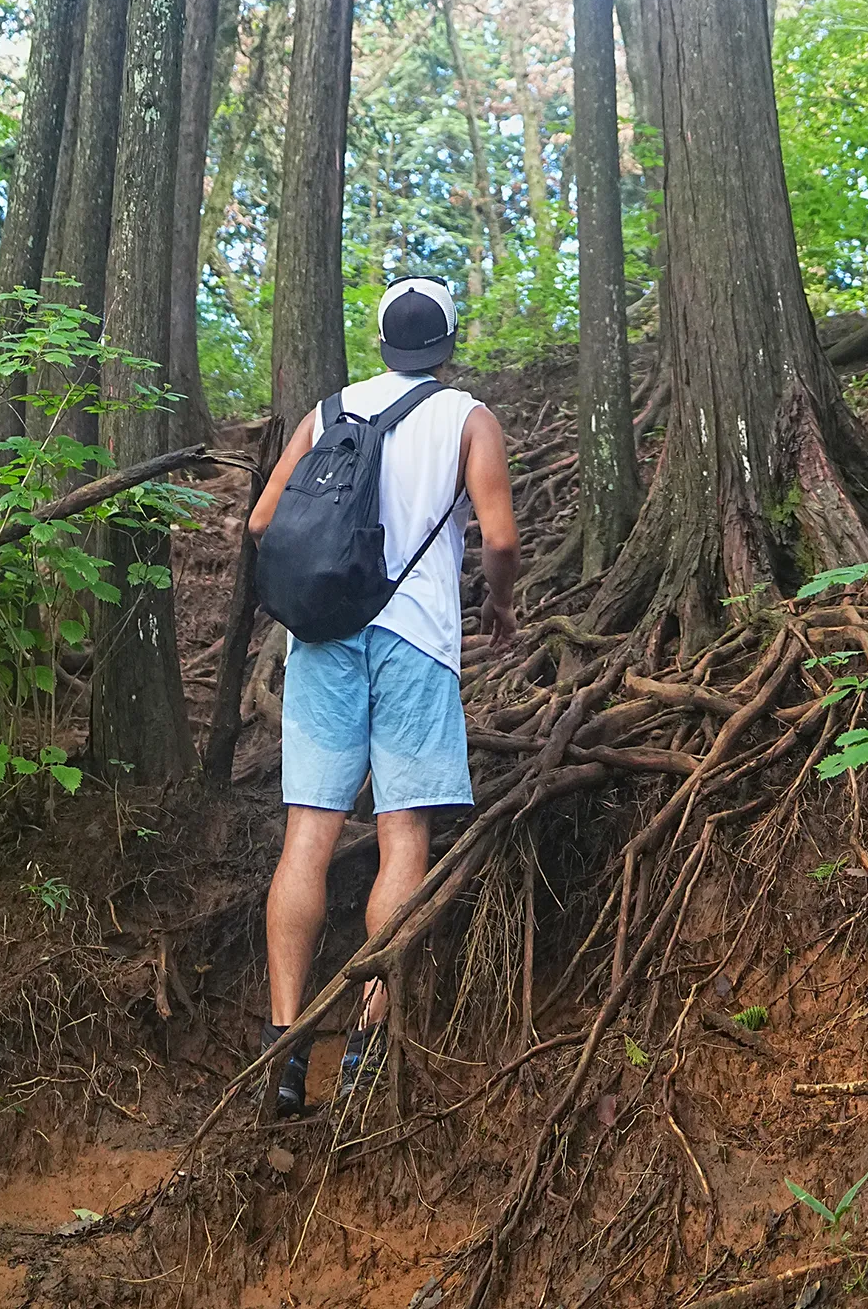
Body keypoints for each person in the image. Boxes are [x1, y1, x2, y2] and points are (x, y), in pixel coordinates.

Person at [247, 276, 520, 1118]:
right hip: (415, 642)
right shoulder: (468, 417)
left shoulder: (327, 413)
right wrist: (499, 603)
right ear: (446, 345)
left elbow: (261, 524)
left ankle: (285, 1049)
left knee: (307, 838)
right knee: (403, 835)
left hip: (323, 639)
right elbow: (501, 537)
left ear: (380, 343)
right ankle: (369, 1037)